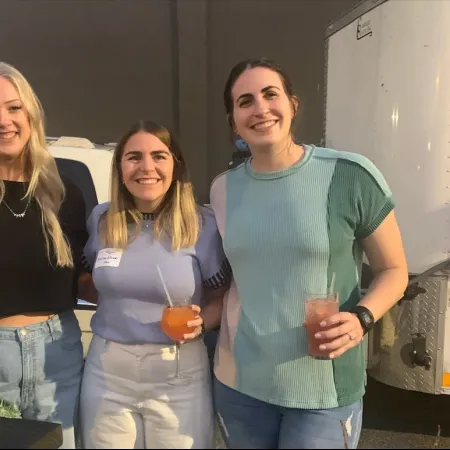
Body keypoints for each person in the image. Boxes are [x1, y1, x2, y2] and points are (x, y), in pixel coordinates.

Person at [209, 58, 409, 449]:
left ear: (293, 104)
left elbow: (394, 269)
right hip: (239, 385)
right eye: (245, 101)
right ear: (233, 121)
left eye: (271, 95)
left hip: (322, 389)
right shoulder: (222, 189)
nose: (261, 109)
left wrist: (361, 318)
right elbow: (237, 276)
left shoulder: (349, 174)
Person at [79, 120, 230, 449]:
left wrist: (203, 322)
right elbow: (89, 282)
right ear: (120, 169)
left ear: (175, 166)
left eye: (158, 156)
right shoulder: (102, 220)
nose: (146, 167)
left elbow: (221, 296)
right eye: (134, 157)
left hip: (178, 373)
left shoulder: (201, 224)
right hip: (107, 372)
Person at [0, 62, 87, 448]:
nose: (4, 121)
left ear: (31, 113)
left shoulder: (62, 192)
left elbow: (84, 277)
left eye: (13, 107)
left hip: (59, 352)